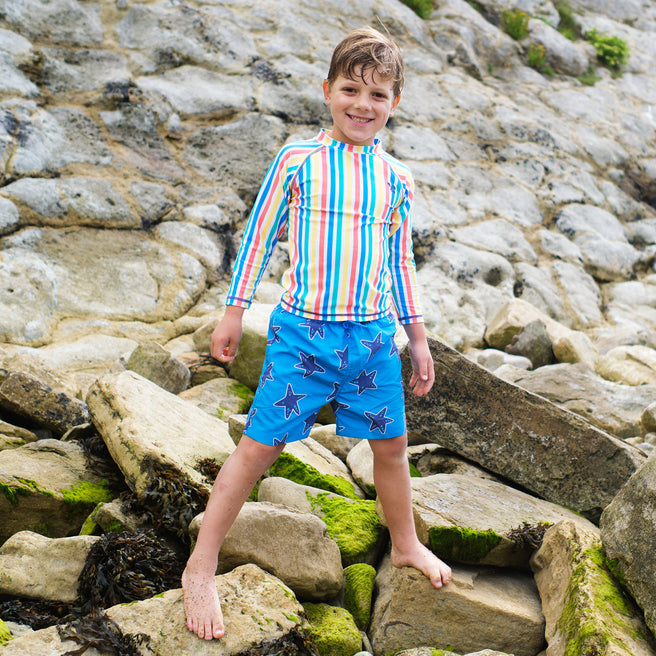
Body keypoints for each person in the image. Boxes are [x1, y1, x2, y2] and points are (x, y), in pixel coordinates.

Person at [182, 26, 452, 641]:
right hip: (303, 336)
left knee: (390, 449)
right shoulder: (297, 160)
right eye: (350, 89)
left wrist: (417, 336)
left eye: (378, 95)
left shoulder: (398, 179)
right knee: (258, 449)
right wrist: (233, 310)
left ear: (395, 104)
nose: (363, 105)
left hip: (373, 341)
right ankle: (200, 564)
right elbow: (257, 237)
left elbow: (400, 262)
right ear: (327, 91)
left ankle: (405, 542)